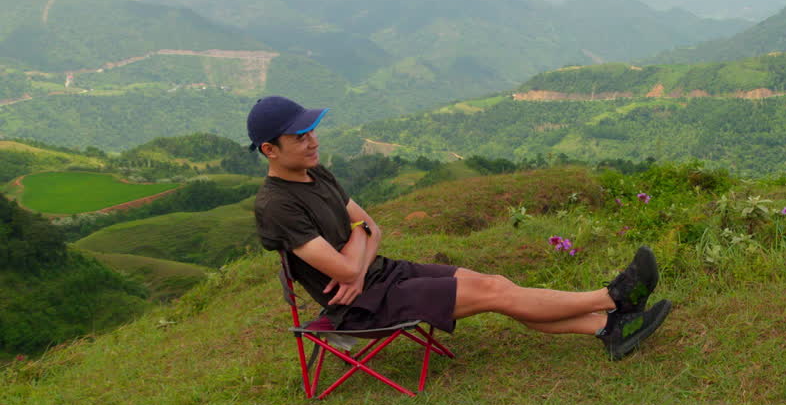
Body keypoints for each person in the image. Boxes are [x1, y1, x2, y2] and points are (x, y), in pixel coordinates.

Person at [248, 95, 670, 360]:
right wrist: (357, 248)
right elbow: (342, 270)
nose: (313, 140)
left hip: (381, 276)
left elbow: (373, 229)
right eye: (300, 136)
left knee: (496, 283)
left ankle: (611, 329)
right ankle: (614, 298)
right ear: (270, 149)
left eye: (312, 131)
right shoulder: (276, 205)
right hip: (360, 307)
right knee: (496, 293)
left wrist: (357, 245)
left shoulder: (316, 174)